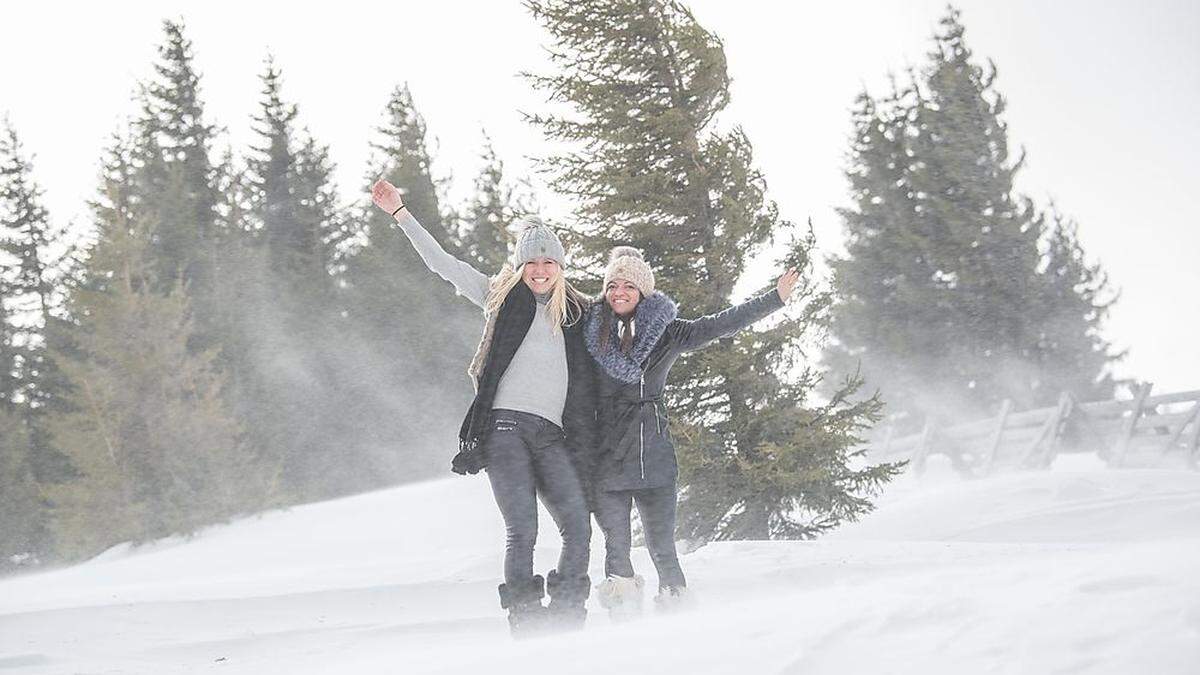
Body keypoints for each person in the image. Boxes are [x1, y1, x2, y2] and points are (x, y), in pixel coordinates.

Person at [370, 180, 598, 636]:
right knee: (523, 530)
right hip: (506, 431)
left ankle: (569, 615)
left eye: (547, 262)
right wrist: (400, 213)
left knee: (577, 524)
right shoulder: (499, 297)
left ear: (560, 266)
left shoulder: (579, 312)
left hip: (553, 436)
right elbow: (443, 265)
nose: (538, 271)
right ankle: (528, 622)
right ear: (520, 266)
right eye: (531, 263)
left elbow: (624, 319)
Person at [584, 246, 798, 618]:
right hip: (608, 457)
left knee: (662, 546)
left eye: (628, 286)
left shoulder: (669, 333)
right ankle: (622, 619)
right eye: (613, 285)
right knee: (615, 545)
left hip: (655, 456)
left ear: (643, 292)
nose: (619, 292)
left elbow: (721, 323)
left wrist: (774, 298)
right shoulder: (591, 333)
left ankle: (677, 615)